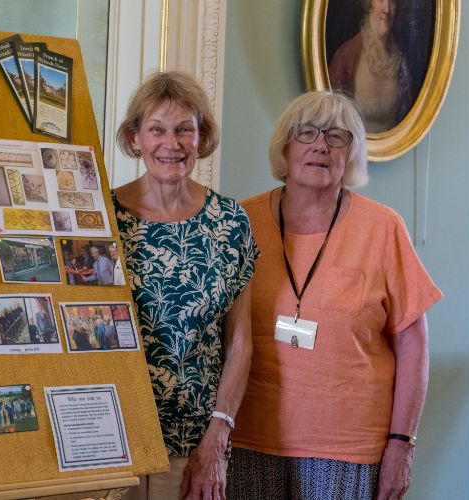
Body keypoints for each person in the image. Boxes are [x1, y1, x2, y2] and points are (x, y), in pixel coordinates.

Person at [226, 91, 442, 500]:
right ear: (285, 147)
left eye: (337, 137)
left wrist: (402, 443)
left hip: (349, 451)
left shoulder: (382, 228)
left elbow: (414, 342)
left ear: (352, 153)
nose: (320, 145)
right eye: (306, 133)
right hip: (248, 438)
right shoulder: (240, 222)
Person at [113, 71, 257, 500]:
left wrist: (217, 439)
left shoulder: (231, 223)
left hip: (195, 446)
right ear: (135, 138)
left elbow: (240, 344)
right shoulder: (100, 217)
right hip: (111, 437)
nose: (170, 144)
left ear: (202, 138)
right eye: (156, 129)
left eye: (184, 130)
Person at [328, 0, 414, 132]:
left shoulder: (400, 62)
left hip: (394, 148)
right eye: (381, 0)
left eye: (393, 2)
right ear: (369, 3)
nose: (387, 9)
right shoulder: (346, 55)